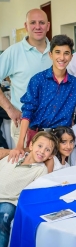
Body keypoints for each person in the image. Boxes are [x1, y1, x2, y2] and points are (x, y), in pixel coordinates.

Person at [8, 35, 76, 163]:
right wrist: (19, 144)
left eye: (66, 53)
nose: (62, 57)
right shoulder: (38, 80)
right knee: (35, 176)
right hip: (38, 137)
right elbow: (27, 111)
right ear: (50, 55)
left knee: (59, 176)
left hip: (61, 140)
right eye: (57, 52)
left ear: (71, 57)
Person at [0, 131, 58, 247]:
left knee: (4, 216)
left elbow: (43, 187)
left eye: (47, 150)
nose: (42, 151)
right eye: (40, 146)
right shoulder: (15, 155)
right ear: (31, 145)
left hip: (10, 201)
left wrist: (50, 164)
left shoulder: (40, 170)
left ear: (50, 155)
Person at [0, 9, 52, 145]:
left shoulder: (57, 51)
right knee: (27, 165)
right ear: (26, 26)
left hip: (54, 126)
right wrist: (10, 109)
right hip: (25, 124)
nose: (38, 26)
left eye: (42, 22)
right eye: (33, 22)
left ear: (48, 26)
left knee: (58, 166)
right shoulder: (13, 52)